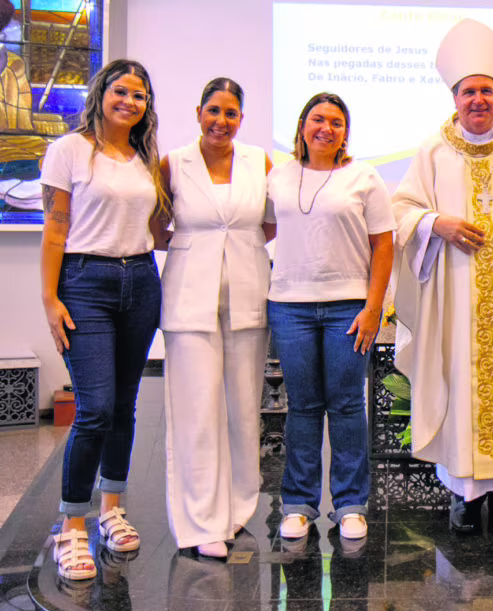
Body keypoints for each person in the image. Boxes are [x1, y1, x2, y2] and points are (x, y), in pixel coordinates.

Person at [392, 18, 493, 534]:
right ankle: (465, 494)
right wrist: (435, 223)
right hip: (455, 298)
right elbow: (401, 210)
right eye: (469, 92)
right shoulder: (434, 151)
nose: (478, 100)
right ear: (455, 97)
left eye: (487, 90)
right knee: (460, 386)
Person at [40, 59, 166, 580]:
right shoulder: (69, 150)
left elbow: (156, 228)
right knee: (93, 408)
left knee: (122, 406)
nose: (129, 102)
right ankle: (71, 525)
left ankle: (111, 508)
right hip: (84, 281)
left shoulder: (144, 157)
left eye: (139, 95)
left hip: (141, 280)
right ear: (101, 93)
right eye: (121, 91)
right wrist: (50, 298)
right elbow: (55, 229)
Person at [154, 78, 274, 559]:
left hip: (248, 294)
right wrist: (197, 247)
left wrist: (236, 246)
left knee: (243, 408)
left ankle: (237, 509)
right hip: (189, 298)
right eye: (213, 111)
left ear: (241, 118)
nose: (221, 121)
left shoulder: (260, 162)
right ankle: (201, 521)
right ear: (198, 112)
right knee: (197, 410)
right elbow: (155, 227)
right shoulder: (173, 163)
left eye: (231, 113)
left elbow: (271, 222)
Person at [266, 92, 394, 544]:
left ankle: (350, 504)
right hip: (290, 306)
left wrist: (374, 308)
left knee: (346, 405)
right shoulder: (279, 176)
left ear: (346, 133)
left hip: (348, 307)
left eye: (337, 122)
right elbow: (264, 228)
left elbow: (384, 245)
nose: (326, 128)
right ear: (302, 126)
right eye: (318, 119)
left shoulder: (364, 177)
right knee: (302, 407)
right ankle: (299, 505)